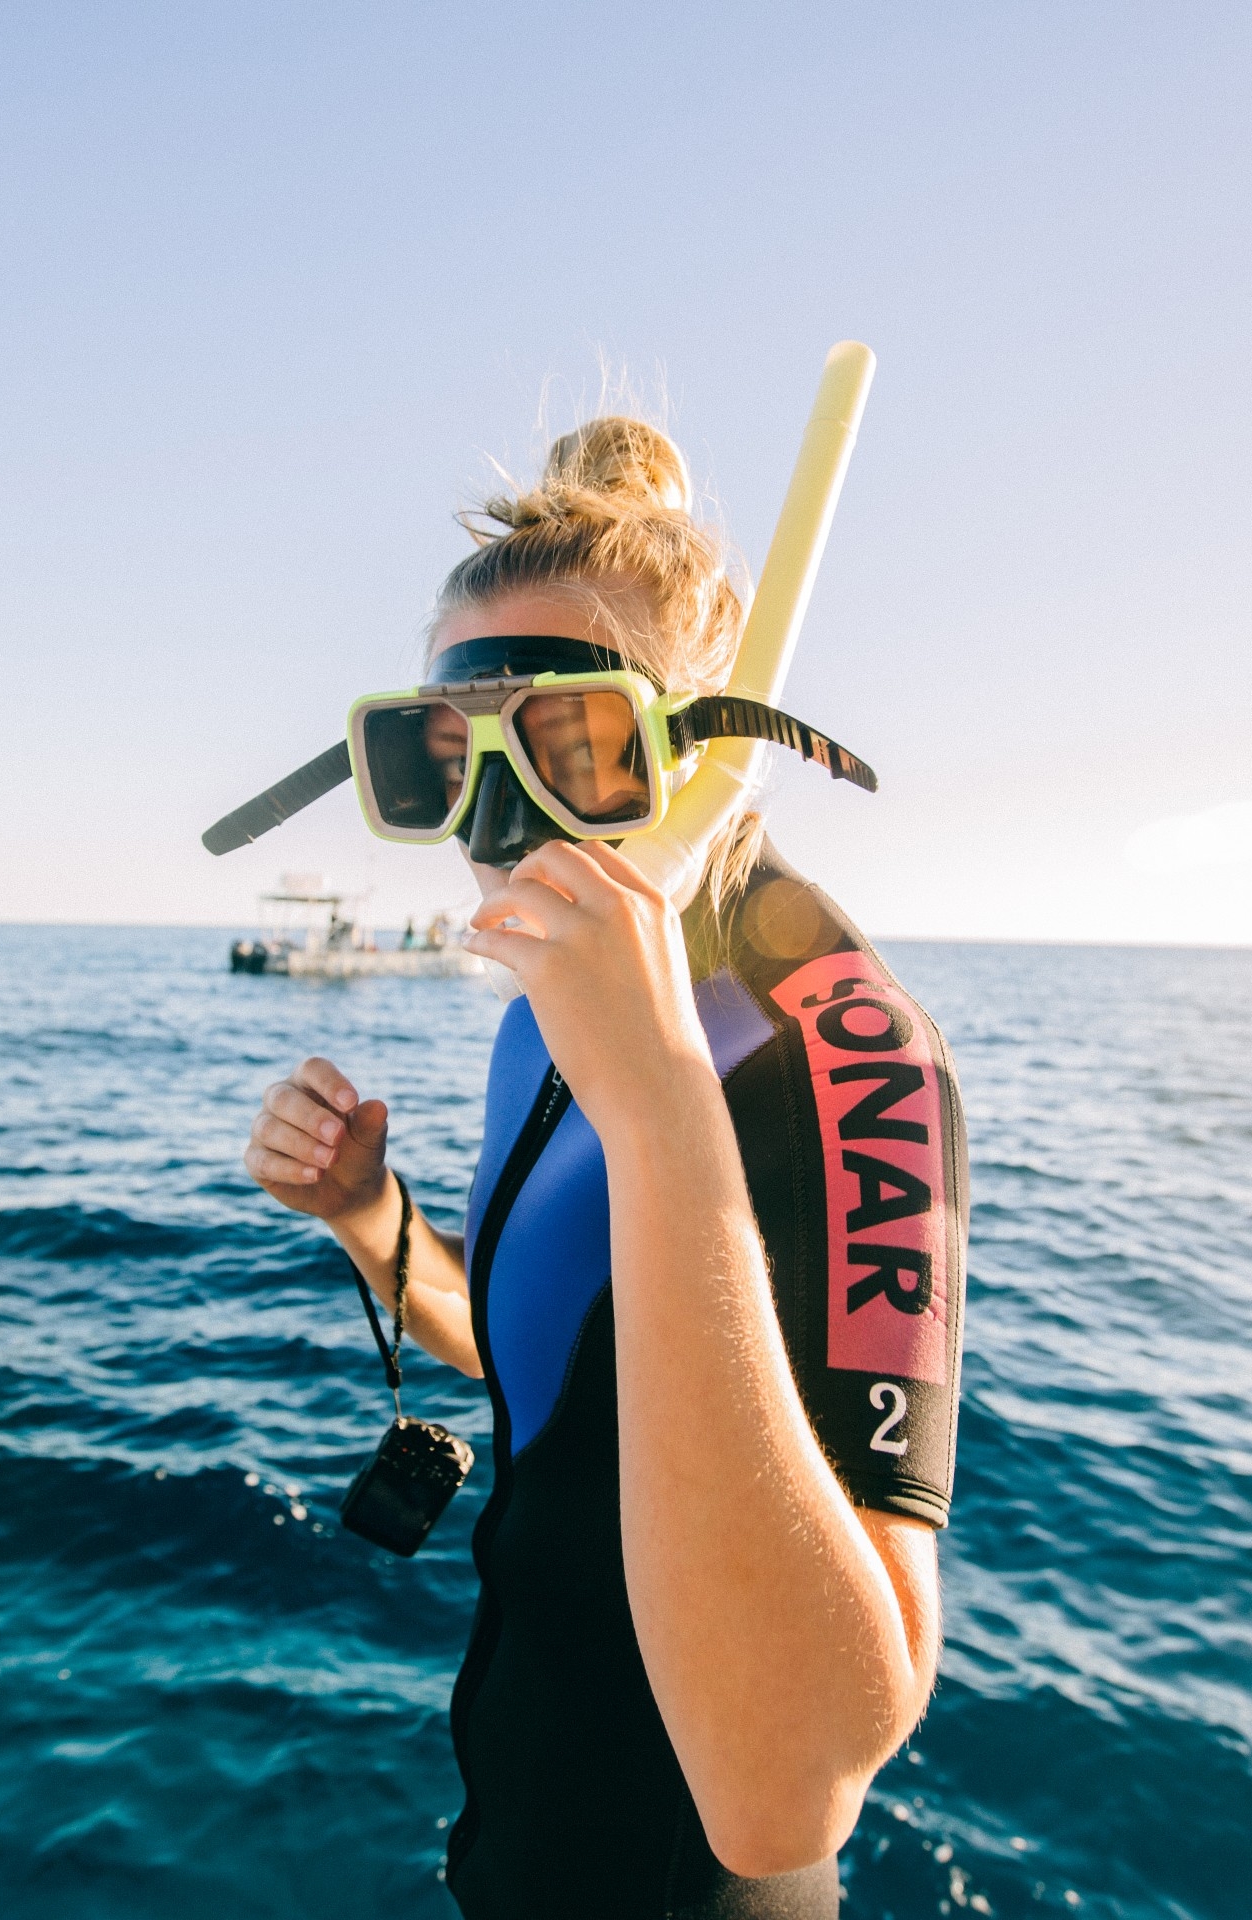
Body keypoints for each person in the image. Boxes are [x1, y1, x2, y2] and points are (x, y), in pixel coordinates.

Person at [243, 417, 968, 1920]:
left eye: (572, 748)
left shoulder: (848, 1052)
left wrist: (660, 1112)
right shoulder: (553, 1023)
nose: (498, 827)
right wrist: (368, 1215)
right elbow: (549, 1358)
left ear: (708, 746)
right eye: (448, 762)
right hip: (514, 1833)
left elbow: (788, 1796)